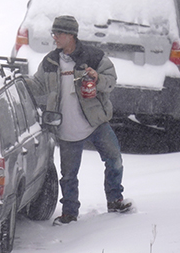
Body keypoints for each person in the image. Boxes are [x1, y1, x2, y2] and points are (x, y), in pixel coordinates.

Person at [26, 15, 131, 225]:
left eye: (59, 33)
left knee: (114, 160)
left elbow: (111, 81)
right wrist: (20, 82)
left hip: (95, 122)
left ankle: (115, 199)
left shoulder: (93, 57)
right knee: (68, 176)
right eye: (53, 33)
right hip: (65, 128)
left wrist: (98, 79)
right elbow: (37, 86)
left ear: (71, 35)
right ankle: (69, 213)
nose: (54, 37)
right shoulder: (49, 62)